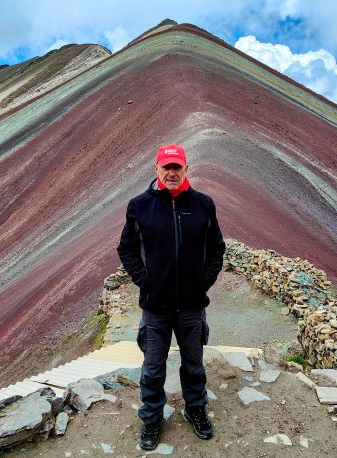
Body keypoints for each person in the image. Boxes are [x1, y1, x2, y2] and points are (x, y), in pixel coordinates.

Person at [117, 143, 226, 450]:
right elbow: (125, 248)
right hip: (155, 306)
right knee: (153, 368)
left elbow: (217, 247)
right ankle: (152, 419)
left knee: (194, 364)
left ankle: (196, 410)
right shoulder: (139, 205)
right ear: (156, 170)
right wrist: (145, 281)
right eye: (167, 167)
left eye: (177, 167)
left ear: (186, 169)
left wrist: (203, 282)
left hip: (192, 305)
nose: (172, 172)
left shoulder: (203, 204)